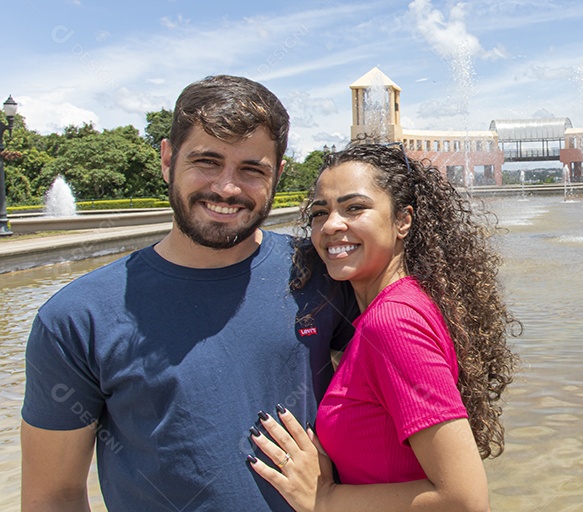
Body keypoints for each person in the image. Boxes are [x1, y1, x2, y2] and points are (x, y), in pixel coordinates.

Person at [21, 75, 356, 512]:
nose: (227, 188)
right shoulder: (77, 318)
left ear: (278, 173)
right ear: (167, 159)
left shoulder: (323, 273)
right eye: (207, 161)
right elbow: (54, 495)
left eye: (251, 169)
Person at [246, 142, 518, 512]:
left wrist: (324, 498)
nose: (332, 225)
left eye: (354, 208)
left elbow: (464, 500)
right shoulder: (400, 306)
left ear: (403, 220)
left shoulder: (392, 323)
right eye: (320, 212)